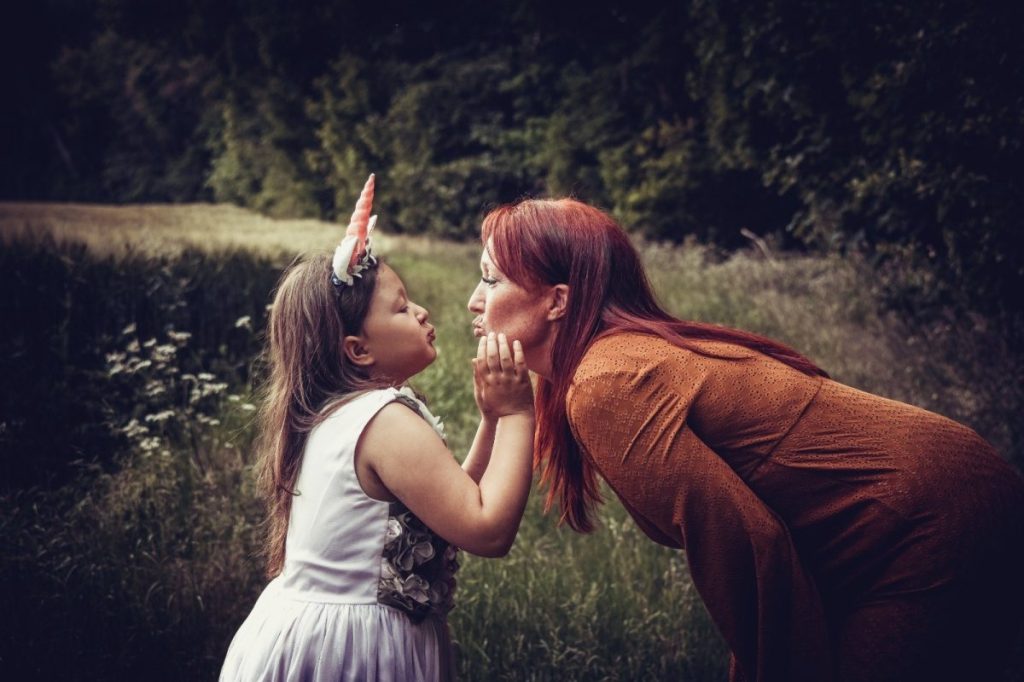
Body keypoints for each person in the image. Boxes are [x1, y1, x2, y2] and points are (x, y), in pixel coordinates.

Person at [466, 197, 1024, 682]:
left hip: (933, 516)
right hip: (938, 491)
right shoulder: (611, 363)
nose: (473, 299)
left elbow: (747, 548)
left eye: (491, 279)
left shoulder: (604, 384)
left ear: (558, 301)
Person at [221, 175, 535, 682]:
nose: (421, 311)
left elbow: (447, 506)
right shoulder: (384, 420)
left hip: (304, 634)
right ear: (358, 350)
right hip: (351, 652)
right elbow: (486, 529)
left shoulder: (342, 412)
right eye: (401, 307)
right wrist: (521, 413)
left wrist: (493, 420)